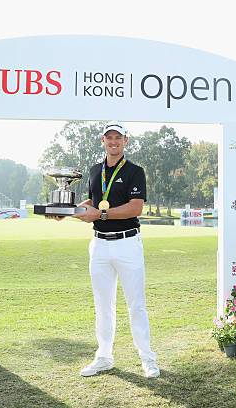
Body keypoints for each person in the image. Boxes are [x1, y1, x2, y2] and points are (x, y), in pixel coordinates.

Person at [73, 121, 159, 378]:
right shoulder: (94, 170)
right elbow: (93, 200)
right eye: (109, 137)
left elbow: (135, 208)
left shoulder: (135, 171)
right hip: (99, 245)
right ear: (103, 140)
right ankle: (104, 356)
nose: (113, 142)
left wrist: (99, 213)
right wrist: (71, 211)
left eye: (118, 138)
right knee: (102, 304)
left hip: (127, 243)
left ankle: (147, 359)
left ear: (126, 141)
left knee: (136, 305)